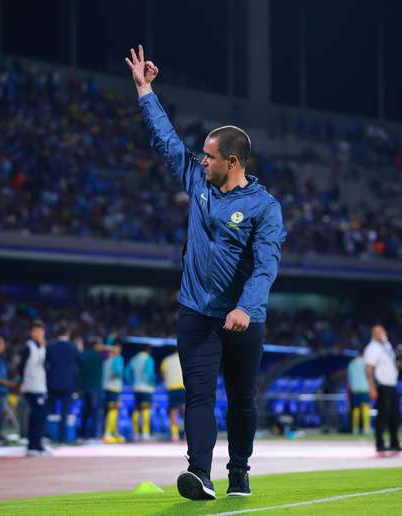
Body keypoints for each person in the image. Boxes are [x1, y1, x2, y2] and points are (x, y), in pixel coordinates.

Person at [126, 45, 286, 499]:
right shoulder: (198, 180)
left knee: (241, 399)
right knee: (198, 395)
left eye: (210, 157)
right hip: (196, 312)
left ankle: (239, 472)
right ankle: (198, 472)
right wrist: (145, 91)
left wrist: (246, 308)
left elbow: (266, 265)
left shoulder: (265, 208)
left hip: (242, 319)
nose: (202, 161)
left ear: (232, 162)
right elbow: (166, 142)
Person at [364, 325, 402, 453]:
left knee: (395, 416)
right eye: (378, 332)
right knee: (382, 416)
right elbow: (369, 368)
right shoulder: (372, 348)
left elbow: (390, 364)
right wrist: (372, 387)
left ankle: (394, 442)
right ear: (374, 334)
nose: (382, 334)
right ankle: (380, 443)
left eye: (382, 331)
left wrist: (400, 363)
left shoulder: (387, 346)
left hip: (392, 384)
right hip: (381, 385)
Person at [45, 324, 81, 443]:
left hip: (52, 383)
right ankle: (62, 438)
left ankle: (49, 435)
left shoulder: (51, 346)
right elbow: (80, 362)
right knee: (64, 412)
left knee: (50, 411)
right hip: (68, 384)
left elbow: (44, 364)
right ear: (68, 334)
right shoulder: (72, 347)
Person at [19, 320, 50, 455]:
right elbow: (20, 367)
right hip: (31, 386)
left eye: (41, 331)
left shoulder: (42, 347)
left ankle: (36, 444)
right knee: (38, 415)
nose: (39, 334)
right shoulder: (28, 347)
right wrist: (21, 382)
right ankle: (34, 445)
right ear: (32, 333)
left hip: (41, 386)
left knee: (39, 416)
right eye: (37, 331)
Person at [125, 345, 156, 441]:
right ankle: (145, 433)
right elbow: (149, 374)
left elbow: (127, 372)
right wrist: (151, 383)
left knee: (136, 410)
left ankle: (135, 433)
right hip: (146, 388)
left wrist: (131, 382)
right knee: (146, 410)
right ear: (148, 349)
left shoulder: (134, 359)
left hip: (136, 388)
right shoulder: (148, 358)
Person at [79, 336, 105, 440]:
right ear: (96, 346)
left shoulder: (83, 354)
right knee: (96, 411)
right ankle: (94, 435)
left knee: (85, 411)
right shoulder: (99, 355)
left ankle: (82, 434)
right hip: (95, 386)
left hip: (84, 386)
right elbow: (114, 351)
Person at [102, 344, 125, 444]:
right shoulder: (118, 358)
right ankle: (108, 433)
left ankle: (114, 432)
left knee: (109, 411)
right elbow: (118, 372)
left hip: (106, 388)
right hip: (114, 387)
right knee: (113, 411)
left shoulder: (106, 360)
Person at [160, 349, 185, 442]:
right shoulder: (185, 357)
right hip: (184, 387)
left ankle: (175, 435)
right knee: (187, 412)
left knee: (173, 412)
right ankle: (188, 435)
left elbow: (163, 374)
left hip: (172, 388)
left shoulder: (166, 360)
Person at [346, 353, 370, 435]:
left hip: (355, 390)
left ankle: (355, 429)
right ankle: (366, 428)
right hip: (365, 389)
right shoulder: (366, 363)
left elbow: (349, 379)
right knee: (365, 408)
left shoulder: (351, 364)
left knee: (356, 409)